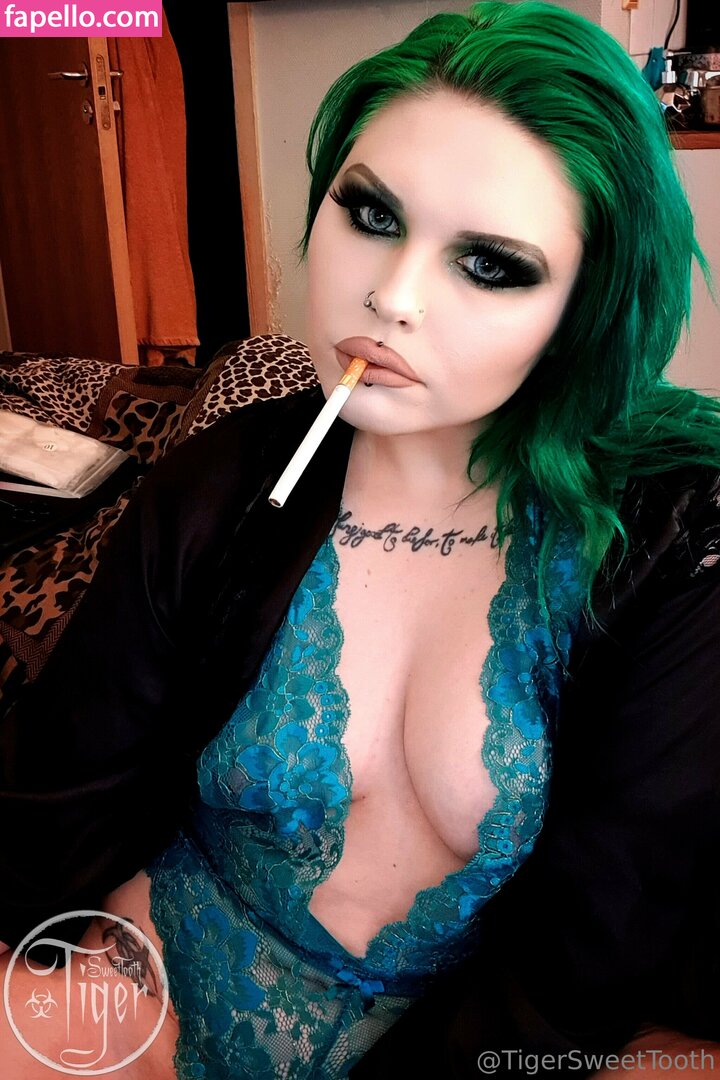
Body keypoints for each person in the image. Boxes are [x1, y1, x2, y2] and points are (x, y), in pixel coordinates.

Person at [1, 2, 720, 1077]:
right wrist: (47, 968)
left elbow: (593, 955)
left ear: (585, 309)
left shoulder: (672, 538)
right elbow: (61, 787)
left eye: (490, 266)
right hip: (136, 984)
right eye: (372, 214)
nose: (391, 295)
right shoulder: (225, 479)